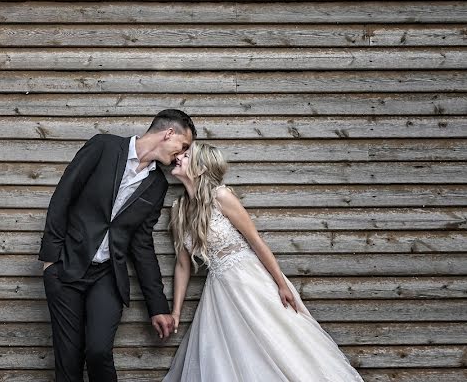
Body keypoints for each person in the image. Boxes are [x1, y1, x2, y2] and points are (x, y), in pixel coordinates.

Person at [162, 142, 364, 381]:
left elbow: (256, 241)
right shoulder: (179, 209)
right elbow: (183, 265)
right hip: (220, 288)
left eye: (186, 156)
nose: (178, 158)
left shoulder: (222, 196)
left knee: (277, 341)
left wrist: (281, 284)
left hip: (250, 279)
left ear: (200, 167)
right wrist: (175, 312)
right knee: (234, 352)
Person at [39, 109, 197, 382]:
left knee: (99, 351)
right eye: (183, 146)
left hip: (108, 276)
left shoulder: (156, 184)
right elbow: (63, 197)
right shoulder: (104, 147)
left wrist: (157, 306)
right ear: (168, 133)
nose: (181, 155)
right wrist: (51, 261)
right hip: (66, 267)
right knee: (68, 358)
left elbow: (142, 245)